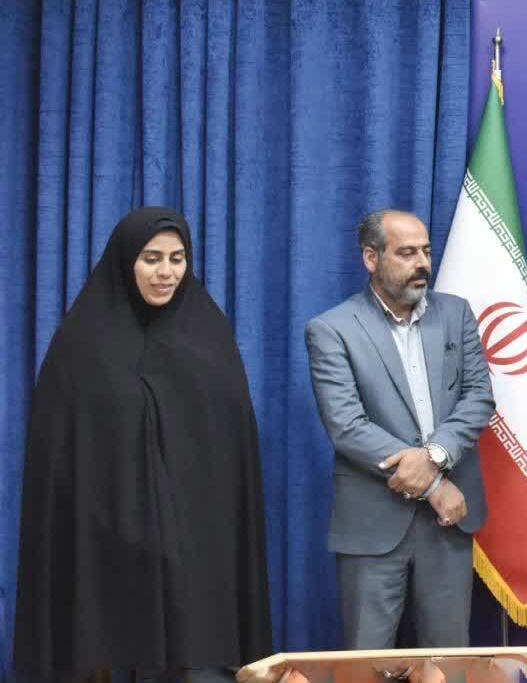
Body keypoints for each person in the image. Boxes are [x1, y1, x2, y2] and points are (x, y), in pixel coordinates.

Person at [14, 207, 271, 677]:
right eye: (151, 259)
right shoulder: (80, 344)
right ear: (125, 260)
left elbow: (230, 449)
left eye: (177, 258)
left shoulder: (210, 336)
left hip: (196, 543)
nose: (166, 272)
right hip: (102, 542)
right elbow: (60, 459)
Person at [305, 209, 493, 649]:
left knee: (448, 664)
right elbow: (347, 426)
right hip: (373, 524)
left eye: (425, 251)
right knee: (368, 665)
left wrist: (435, 457)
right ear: (371, 258)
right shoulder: (332, 329)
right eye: (406, 253)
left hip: (448, 526)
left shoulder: (456, 314)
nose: (422, 263)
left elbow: (479, 397)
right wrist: (434, 486)